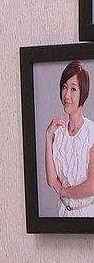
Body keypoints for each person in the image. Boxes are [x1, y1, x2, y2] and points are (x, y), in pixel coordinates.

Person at [44, 60, 94, 217]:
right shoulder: (58, 133)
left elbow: (92, 186)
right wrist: (48, 137)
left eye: (73, 89)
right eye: (64, 87)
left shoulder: (91, 133)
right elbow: (51, 180)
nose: (67, 95)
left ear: (83, 92)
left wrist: (63, 191)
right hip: (63, 214)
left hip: (86, 214)